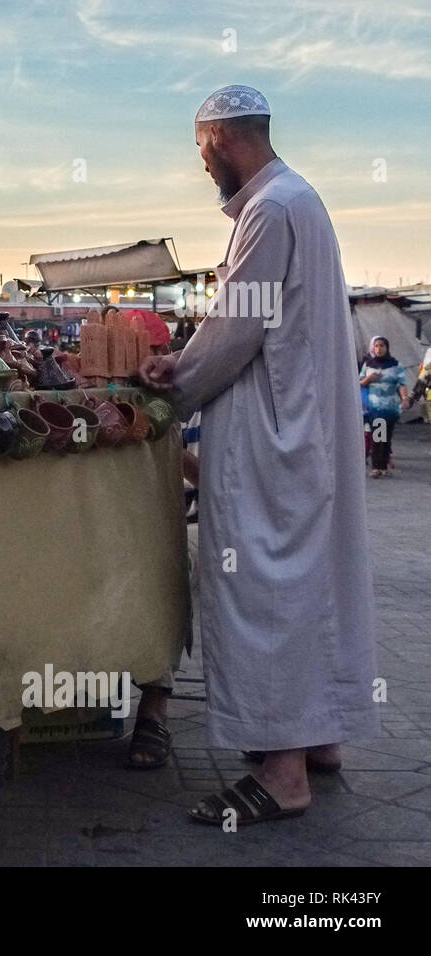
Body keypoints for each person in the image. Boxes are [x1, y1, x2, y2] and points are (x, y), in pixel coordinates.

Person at [139, 85, 377, 825]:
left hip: (275, 438)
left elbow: (236, 328)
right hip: (304, 431)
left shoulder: (271, 209)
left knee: (268, 593)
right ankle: (318, 740)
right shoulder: (298, 199)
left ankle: (282, 774)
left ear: (220, 142)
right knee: (311, 584)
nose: (204, 168)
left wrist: (169, 386)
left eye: (202, 153)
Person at [359, 336, 410, 478]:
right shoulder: (368, 364)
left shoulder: (395, 365)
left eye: (382, 346)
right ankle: (377, 467)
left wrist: (404, 398)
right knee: (377, 436)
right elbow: (359, 382)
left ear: (387, 348)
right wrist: (369, 379)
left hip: (391, 408)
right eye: (376, 346)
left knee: (386, 437)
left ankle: (383, 467)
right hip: (375, 407)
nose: (379, 349)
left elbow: (402, 383)